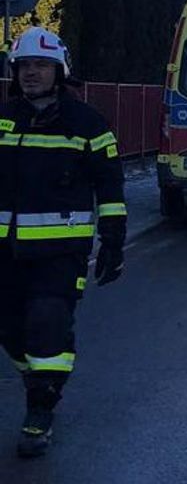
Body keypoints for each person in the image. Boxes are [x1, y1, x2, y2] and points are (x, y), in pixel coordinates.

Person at [0, 27, 126, 458]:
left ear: (60, 71)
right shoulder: (4, 118)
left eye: (41, 65)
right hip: (6, 253)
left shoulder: (87, 124)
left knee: (47, 324)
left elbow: (110, 185)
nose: (31, 73)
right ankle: (38, 378)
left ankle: (40, 409)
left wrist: (113, 241)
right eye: (24, 66)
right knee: (11, 330)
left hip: (60, 254)